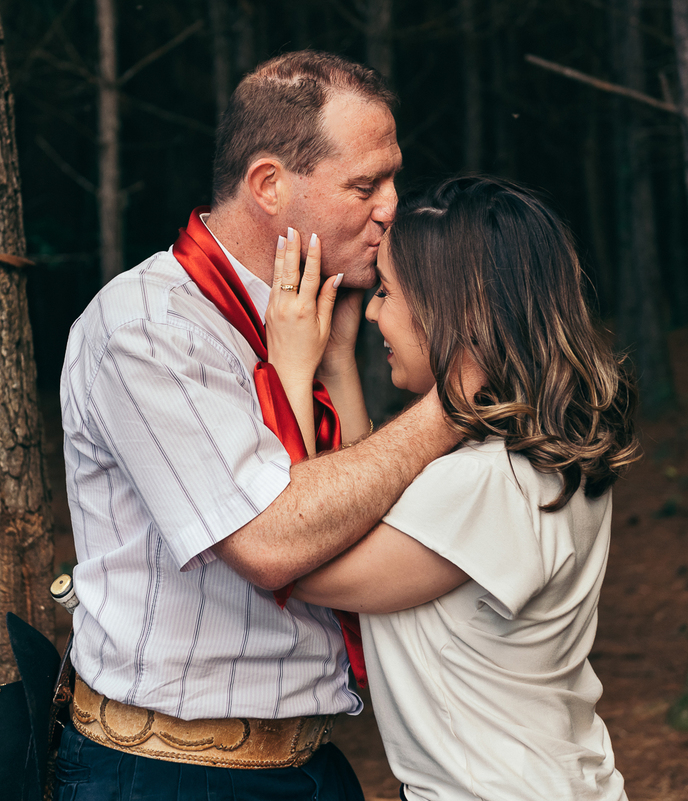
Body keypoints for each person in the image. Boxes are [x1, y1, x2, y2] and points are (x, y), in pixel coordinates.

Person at [56, 50, 460, 801]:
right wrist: (457, 408)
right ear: (269, 185)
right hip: (168, 776)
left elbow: (354, 513)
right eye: (366, 184)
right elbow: (272, 542)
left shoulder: (329, 316)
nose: (392, 207)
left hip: (309, 760)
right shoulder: (147, 327)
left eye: (393, 178)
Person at [272, 176, 638, 800]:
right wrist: (337, 365)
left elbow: (299, 554)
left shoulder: (485, 483)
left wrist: (290, 365)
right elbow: (367, 502)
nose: (376, 312)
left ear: (455, 309)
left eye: (387, 291)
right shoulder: (530, 456)